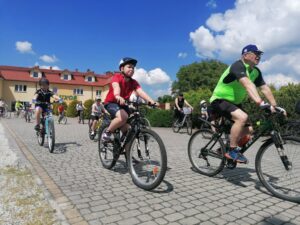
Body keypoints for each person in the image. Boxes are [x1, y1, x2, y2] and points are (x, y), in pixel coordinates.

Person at [210, 44, 286, 163]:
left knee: (249, 130)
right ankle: (232, 150)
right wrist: (260, 103)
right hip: (219, 100)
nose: (258, 56)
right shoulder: (237, 66)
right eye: (256, 53)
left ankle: (223, 149)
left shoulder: (255, 72)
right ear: (245, 55)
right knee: (242, 117)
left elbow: (265, 89)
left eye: (259, 54)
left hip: (235, 103)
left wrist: (275, 106)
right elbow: (247, 84)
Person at [102, 57, 156, 142]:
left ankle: (125, 145)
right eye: (129, 67)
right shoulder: (117, 77)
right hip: (111, 102)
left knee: (131, 122)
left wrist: (151, 101)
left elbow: (140, 92)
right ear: (122, 68)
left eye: (133, 68)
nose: (132, 69)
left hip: (123, 104)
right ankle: (108, 132)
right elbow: (116, 87)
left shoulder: (134, 82)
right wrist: (117, 96)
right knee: (123, 117)